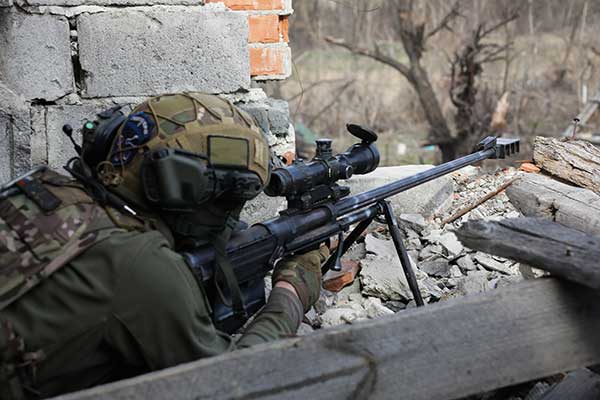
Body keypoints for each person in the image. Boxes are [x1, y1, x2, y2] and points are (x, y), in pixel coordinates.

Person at [0, 93, 328, 399]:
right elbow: (231, 383)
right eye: (231, 198)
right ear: (181, 187)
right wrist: (291, 292)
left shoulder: (49, 191)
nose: (232, 213)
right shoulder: (137, 263)